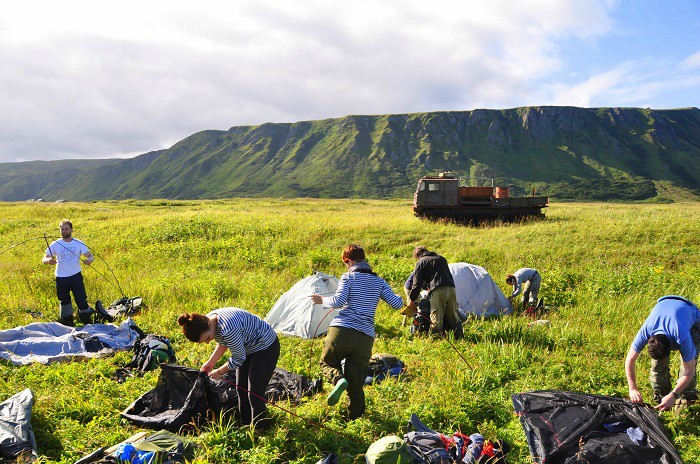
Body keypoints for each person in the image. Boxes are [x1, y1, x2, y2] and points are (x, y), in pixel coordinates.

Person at [310, 244, 403, 419]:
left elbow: (339, 301)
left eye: (346, 263)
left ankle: (338, 380)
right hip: (365, 337)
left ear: (349, 261)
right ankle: (354, 418)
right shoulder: (379, 281)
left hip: (343, 330)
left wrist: (321, 300)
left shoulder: (349, 277)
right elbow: (397, 304)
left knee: (327, 362)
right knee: (356, 382)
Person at [178, 307, 280, 430]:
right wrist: (210, 363)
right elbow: (223, 342)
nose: (208, 342)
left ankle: (260, 429)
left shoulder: (228, 329)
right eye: (204, 341)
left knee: (254, 393)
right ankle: (246, 424)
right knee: (241, 389)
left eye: (208, 338)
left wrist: (219, 372)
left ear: (209, 325)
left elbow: (239, 358)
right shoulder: (209, 320)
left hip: (265, 347)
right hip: (247, 348)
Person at [625, 295, 700, 411]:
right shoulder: (647, 330)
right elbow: (629, 361)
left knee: (688, 365)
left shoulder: (681, 337)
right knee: (657, 367)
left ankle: (687, 399)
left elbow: (689, 371)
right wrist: (632, 389)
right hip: (663, 303)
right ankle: (661, 398)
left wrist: (674, 394)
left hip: (692, 316)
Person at [42, 219, 94, 326]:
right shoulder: (55, 244)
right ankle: (67, 321)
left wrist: (89, 261)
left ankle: (85, 319)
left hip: (76, 276)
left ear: (71, 229)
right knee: (64, 300)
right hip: (61, 277)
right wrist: (48, 261)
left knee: (81, 298)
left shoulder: (78, 243)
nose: (64, 231)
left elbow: (90, 256)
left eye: (66, 229)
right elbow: (44, 259)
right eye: (62, 229)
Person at [406, 246, 460, 336]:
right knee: (453, 315)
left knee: (436, 316)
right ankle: (459, 337)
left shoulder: (421, 261)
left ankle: (436, 340)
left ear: (417, 255)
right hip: (451, 288)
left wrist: (412, 300)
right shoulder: (441, 259)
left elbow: (416, 284)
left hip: (438, 290)